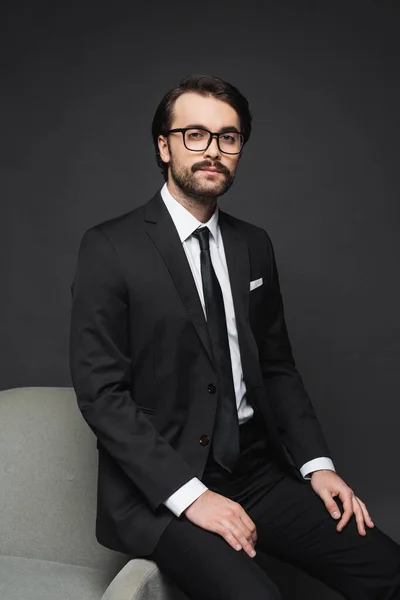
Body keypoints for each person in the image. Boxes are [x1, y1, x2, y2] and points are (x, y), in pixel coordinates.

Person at [69, 74, 400, 600]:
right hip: (163, 491)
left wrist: (319, 466)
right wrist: (191, 496)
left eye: (229, 137)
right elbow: (101, 395)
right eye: (195, 134)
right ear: (164, 145)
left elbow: (276, 367)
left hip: (258, 473)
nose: (213, 150)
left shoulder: (254, 244)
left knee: (388, 567)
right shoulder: (110, 247)